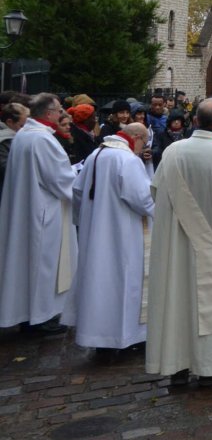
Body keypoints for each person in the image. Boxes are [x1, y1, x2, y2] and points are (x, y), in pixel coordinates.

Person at [145, 99, 212, 387]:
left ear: (194, 121)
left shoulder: (173, 151)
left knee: (176, 301)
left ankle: (176, 364)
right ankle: (210, 367)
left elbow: (155, 190)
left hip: (175, 244)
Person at [63, 122, 154, 358]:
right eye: (144, 142)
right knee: (126, 282)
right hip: (124, 233)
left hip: (97, 232)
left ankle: (100, 338)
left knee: (100, 283)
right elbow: (142, 199)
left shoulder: (96, 154)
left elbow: (78, 190)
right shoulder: (128, 160)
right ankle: (126, 337)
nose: (143, 147)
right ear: (135, 137)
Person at [0, 93, 77, 334]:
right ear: (49, 113)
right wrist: (81, 179)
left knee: (29, 263)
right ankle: (40, 317)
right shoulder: (42, 140)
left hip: (28, 208)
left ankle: (28, 314)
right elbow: (60, 179)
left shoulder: (24, 134)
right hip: (44, 211)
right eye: (59, 109)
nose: (62, 113)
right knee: (44, 265)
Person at [0, 102, 30, 205]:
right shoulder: (4, 141)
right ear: (10, 122)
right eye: (22, 125)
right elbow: (6, 168)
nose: (25, 129)